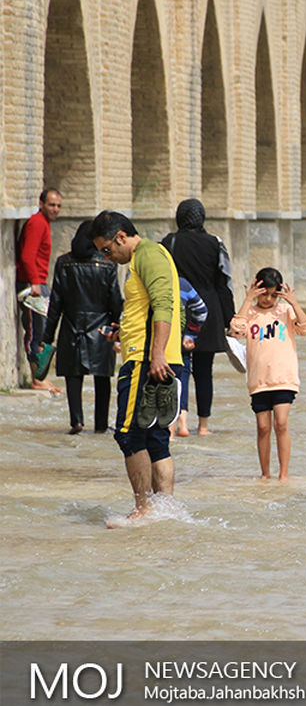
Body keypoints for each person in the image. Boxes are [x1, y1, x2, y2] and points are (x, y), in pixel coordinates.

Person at [89, 210, 185, 525]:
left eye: (107, 249)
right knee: (156, 438)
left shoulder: (148, 255)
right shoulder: (150, 257)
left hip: (146, 362)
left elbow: (164, 305)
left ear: (120, 237)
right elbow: (171, 308)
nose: (107, 256)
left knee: (129, 435)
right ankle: (164, 510)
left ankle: (143, 509)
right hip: (155, 357)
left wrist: (157, 354)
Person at [229, 267, 306, 482]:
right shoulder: (250, 313)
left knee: (281, 424)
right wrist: (247, 301)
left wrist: (294, 303)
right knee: (263, 427)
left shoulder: (285, 311)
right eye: (263, 293)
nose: (267, 299)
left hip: (284, 378)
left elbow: (305, 329)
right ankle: (265, 474)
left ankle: (284, 474)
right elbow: (236, 330)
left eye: (272, 294)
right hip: (259, 380)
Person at [161, 198, 235, 436]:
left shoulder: (169, 242)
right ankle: (203, 426)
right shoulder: (215, 243)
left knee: (176, 367)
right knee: (204, 372)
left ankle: (176, 422)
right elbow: (224, 282)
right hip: (209, 313)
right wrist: (229, 319)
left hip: (178, 311)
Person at [41, 220, 123, 433]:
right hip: (101, 328)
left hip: (72, 327)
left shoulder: (63, 263)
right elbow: (115, 300)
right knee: (102, 378)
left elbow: (55, 304)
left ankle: (76, 421)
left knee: (73, 376)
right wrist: (119, 328)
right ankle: (101, 425)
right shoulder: (108, 264)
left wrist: (47, 337)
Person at [17, 188, 63, 392]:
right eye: (52, 204)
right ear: (41, 204)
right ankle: (37, 379)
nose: (55, 209)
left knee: (42, 330)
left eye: (58, 206)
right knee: (35, 330)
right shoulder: (36, 223)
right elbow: (28, 255)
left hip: (39, 282)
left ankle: (41, 376)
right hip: (31, 283)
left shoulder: (44, 224)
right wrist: (35, 282)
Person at [172, 277, 208, 438]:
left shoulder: (141, 278)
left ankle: (169, 430)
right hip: (179, 342)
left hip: (155, 342)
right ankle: (183, 424)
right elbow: (201, 310)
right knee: (182, 378)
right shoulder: (182, 283)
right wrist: (190, 335)